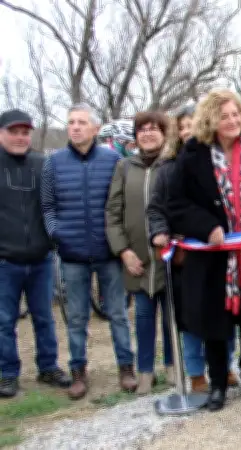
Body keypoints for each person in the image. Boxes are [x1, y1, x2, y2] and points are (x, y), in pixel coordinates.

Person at [166, 90, 241, 411]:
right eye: (224, 115)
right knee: (215, 322)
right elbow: (176, 203)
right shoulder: (192, 153)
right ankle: (217, 385)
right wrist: (207, 227)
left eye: (235, 114)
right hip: (213, 257)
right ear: (210, 119)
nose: (231, 121)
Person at [41, 103, 138, 400]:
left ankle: (126, 368)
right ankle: (78, 372)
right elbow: (47, 206)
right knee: (76, 319)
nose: (75, 127)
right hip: (72, 255)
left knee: (118, 314)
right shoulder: (53, 163)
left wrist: (120, 243)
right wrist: (56, 234)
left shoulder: (112, 160)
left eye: (82, 122)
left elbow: (119, 203)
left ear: (95, 129)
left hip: (108, 253)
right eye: (71, 122)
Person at [147, 105, 238, 393]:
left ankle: (226, 366)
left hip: (218, 251)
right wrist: (160, 232)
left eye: (192, 125)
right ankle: (196, 373)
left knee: (224, 313)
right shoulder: (166, 168)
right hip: (184, 255)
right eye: (182, 126)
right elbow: (157, 208)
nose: (188, 131)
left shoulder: (216, 161)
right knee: (189, 318)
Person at [0, 109, 71, 398]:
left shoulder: (43, 164)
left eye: (25, 132)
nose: (20, 137)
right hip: (5, 261)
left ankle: (48, 367)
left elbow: (54, 205)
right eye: (13, 131)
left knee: (44, 317)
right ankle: (7, 373)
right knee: (4, 321)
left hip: (41, 259)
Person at [105, 111, 175, 394]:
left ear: (163, 133)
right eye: (142, 129)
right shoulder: (125, 167)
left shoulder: (172, 164)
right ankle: (145, 370)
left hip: (168, 257)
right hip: (137, 259)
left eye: (154, 129)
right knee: (144, 317)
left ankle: (172, 365)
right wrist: (123, 251)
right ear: (136, 136)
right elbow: (113, 212)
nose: (147, 134)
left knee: (171, 316)